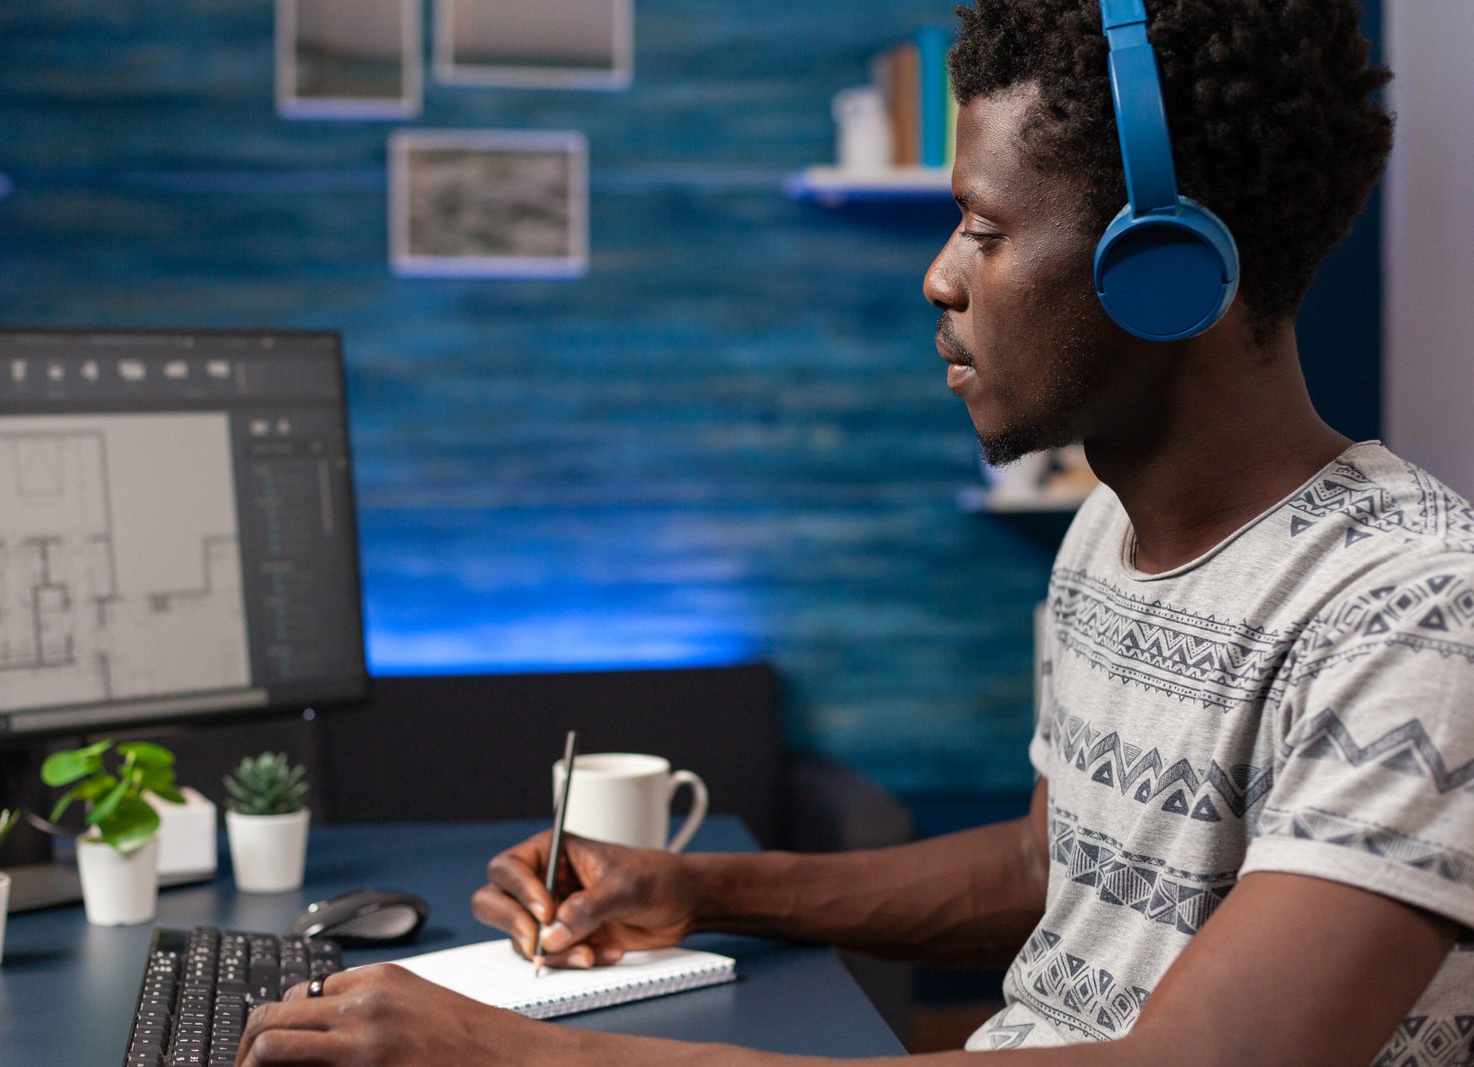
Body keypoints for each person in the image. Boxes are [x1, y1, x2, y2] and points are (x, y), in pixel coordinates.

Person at [237, 1, 1474, 1063]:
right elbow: (1046, 869)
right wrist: (700, 884)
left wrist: (506, 1047)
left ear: (1164, 269)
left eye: (985, 231)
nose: (940, 277)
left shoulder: (1413, 610)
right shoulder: (1107, 531)